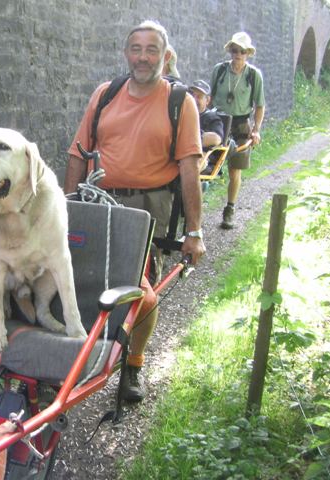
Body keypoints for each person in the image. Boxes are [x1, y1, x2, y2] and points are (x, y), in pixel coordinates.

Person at [64, 20, 205, 402]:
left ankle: (133, 364)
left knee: (141, 293)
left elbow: (190, 167)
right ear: (126, 53)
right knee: (79, 278)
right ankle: (72, 355)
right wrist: (66, 208)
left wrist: (194, 232)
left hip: (145, 209)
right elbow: (78, 152)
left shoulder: (180, 102)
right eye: (136, 49)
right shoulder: (106, 94)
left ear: (166, 56)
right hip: (97, 201)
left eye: (152, 50)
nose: (143, 57)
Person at [210, 32, 266, 229]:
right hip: (219, 122)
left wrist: (256, 130)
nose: (238, 54)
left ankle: (230, 209)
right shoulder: (220, 70)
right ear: (231, 51)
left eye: (242, 51)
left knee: (235, 170)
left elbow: (259, 105)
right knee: (208, 166)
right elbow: (210, 98)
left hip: (242, 124)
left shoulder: (253, 75)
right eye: (235, 50)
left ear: (248, 53)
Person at [189, 79, 224, 171]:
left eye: (199, 97)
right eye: (192, 95)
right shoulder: (181, 114)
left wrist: (189, 139)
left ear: (207, 100)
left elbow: (217, 138)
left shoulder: (211, 118)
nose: (194, 99)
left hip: (202, 156)